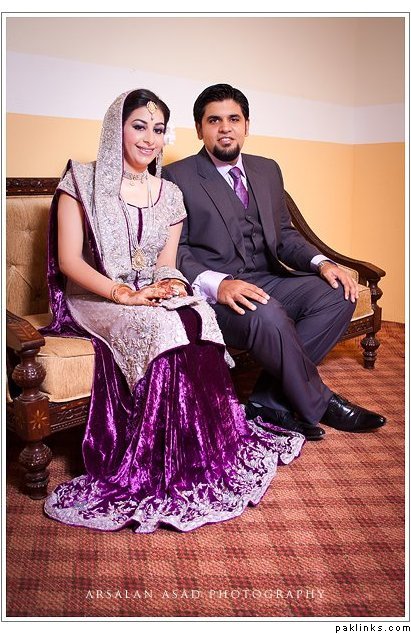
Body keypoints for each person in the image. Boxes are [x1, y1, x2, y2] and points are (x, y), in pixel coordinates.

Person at [42, 88, 305, 534]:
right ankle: (156, 462)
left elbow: (168, 262)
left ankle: (200, 452)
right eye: (138, 126)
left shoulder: (168, 193)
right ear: (116, 129)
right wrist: (122, 293)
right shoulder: (80, 182)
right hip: (96, 296)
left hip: (148, 293)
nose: (149, 138)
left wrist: (172, 286)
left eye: (158, 129)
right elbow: (69, 262)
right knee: (164, 329)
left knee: (197, 316)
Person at [162, 83, 386, 440]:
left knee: (340, 292)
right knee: (267, 314)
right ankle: (321, 401)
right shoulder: (176, 177)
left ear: (247, 125)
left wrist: (322, 263)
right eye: (214, 120)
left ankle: (268, 400)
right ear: (200, 128)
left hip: (268, 278)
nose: (225, 128)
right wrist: (218, 284)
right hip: (219, 295)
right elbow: (176, 249)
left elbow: (284, 235)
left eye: (234, 119)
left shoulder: (267, 170)